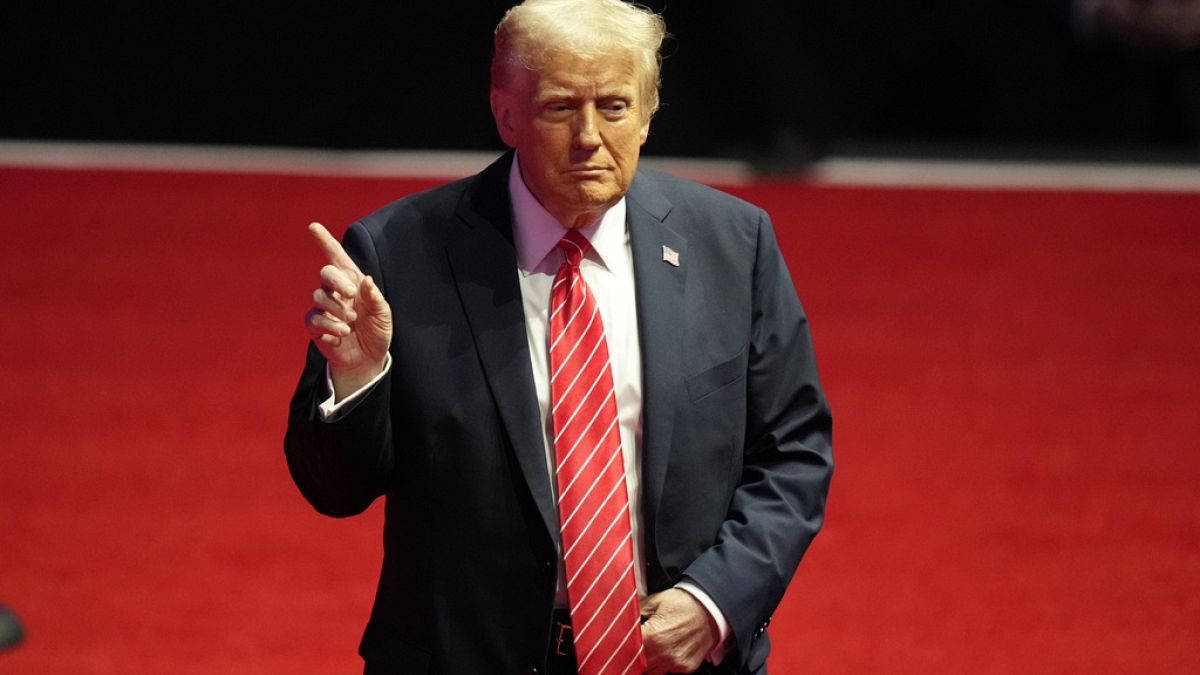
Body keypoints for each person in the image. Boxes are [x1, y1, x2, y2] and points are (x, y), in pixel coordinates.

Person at [284, 1, 832, 673]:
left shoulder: (733, 244)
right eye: (559, 109)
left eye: (614, 107)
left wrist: (714, 602)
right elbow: (334, 491)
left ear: (649, 113)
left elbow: (793, 453)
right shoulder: (397, 253)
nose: (589, 138)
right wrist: (359, 377)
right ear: (506, 115)